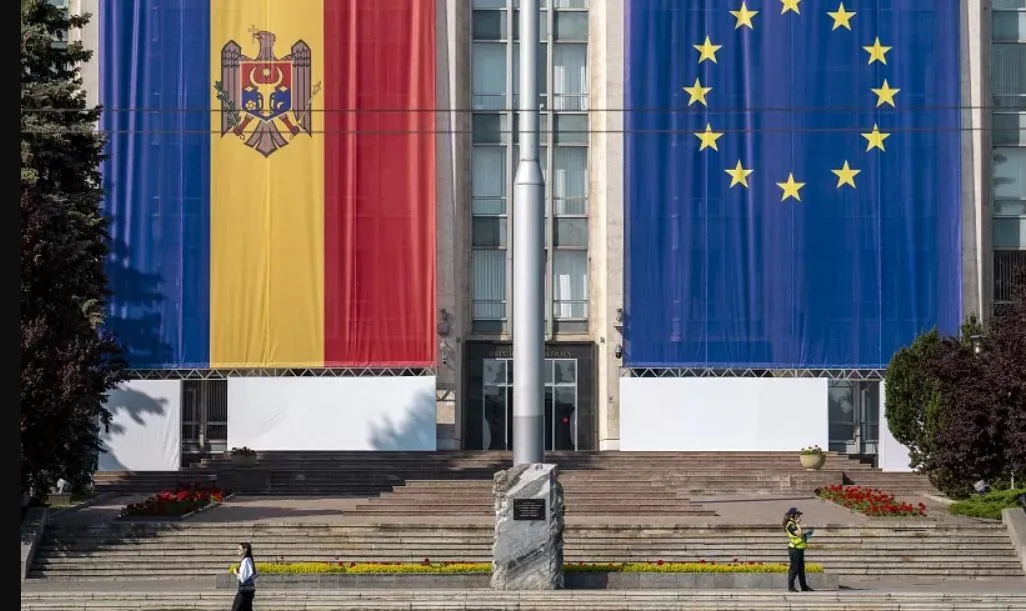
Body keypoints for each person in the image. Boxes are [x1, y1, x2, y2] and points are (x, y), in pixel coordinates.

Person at [783, 507, 814, 592]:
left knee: (801, 569)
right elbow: (799, 534)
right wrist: (798, 524)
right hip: (794, 549)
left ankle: (804, 587)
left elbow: (800, 536)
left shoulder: (793, 524)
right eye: (798, 515)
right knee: (794, 568)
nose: (799, 517)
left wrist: (805, 536)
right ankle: (791, 587)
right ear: (793, 515)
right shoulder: (791, 525)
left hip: (799, 548)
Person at [230, 542, 257, 611]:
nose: (237, 551)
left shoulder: (245, 561)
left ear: (245, 550)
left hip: (244, 591)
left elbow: (243, 578)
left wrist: (236, 573)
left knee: (235, 609)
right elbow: (255, 574)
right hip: (249, 590)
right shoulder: (249, 560)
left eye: (239, 549)